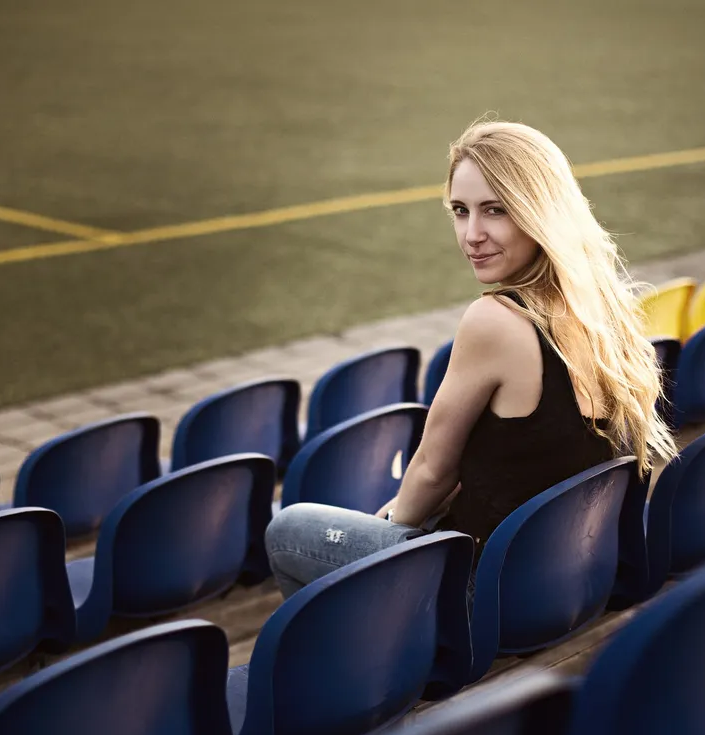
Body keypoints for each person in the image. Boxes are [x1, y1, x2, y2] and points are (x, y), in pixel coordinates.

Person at [265, 119, 676, 599]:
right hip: (569, 581)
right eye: (461, 211)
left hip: (484, 591)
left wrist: (388, 532)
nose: (472, 234)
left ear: (540, 211)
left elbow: (432, 469)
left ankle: (373, 644)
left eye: (495, 210)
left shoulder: (496, 320)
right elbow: (526, 460)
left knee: (288, 530)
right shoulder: (605, 310)